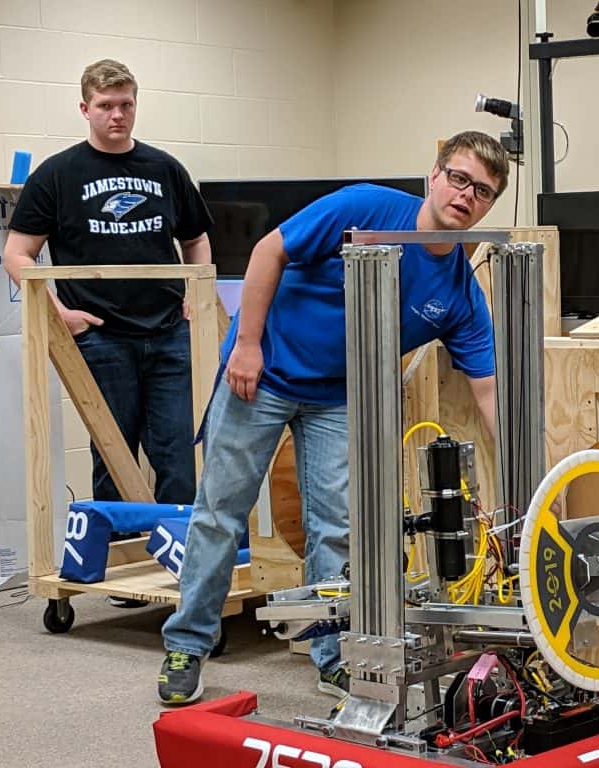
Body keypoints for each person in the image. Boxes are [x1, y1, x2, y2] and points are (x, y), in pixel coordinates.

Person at [157, 131, 508, 705]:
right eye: (460, 178)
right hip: (263, 373)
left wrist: (536, 473)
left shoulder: (459, 293)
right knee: (221, 511)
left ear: (489, 206)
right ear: (435, 175)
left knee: (336, 528)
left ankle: (330, 658)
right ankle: (187, 645)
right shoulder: (363, 208)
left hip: (340, 399)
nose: (467, 195)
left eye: (484, 191)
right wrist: (245, 343)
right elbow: (269, 249)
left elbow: (489, 391)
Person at [5, 59, 212, 603]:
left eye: (125, 104)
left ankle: (179, 570)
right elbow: (17, 254)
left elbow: (196, 240)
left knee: (176, 455)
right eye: (106, 106)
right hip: (100, 336)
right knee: (112, 452)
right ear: (85, 109)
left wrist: (196, 295)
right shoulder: (56, 174)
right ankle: (121, 576)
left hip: (168, 332)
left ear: (135, 105)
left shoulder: (165, 169)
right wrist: (60, 314)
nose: (117, 115)